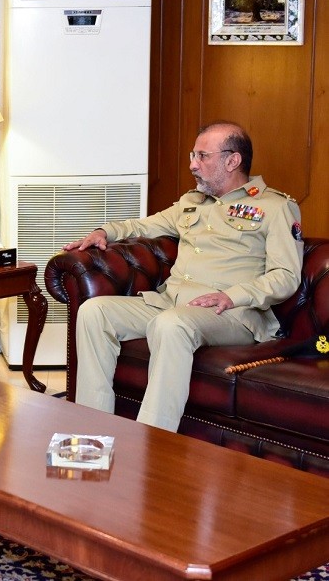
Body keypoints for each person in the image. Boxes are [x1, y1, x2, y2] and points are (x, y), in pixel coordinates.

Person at [63, 121, 304, 431]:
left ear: (232, 160)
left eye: (202, 156)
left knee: (172, 323)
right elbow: (144, 226)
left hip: (230, 312)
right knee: (94, 312)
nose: (193, 165)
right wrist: (103, 231)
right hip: (172, 301)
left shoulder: (275, 207)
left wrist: (233, 295)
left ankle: (151, 440)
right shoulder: (192, 203)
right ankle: (91, 432)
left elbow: (285, 276)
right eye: (193, 155)